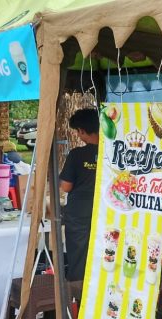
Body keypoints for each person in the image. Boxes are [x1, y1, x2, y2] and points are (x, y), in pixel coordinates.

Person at [59, 109, 99, 290]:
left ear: (82, 130)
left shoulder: (76, 155)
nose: (78, 135)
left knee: (78, 254)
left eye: (77, 131)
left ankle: (77, 293)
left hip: (79, 213)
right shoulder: (111, 151)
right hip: (103, 210)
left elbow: (66, 186)